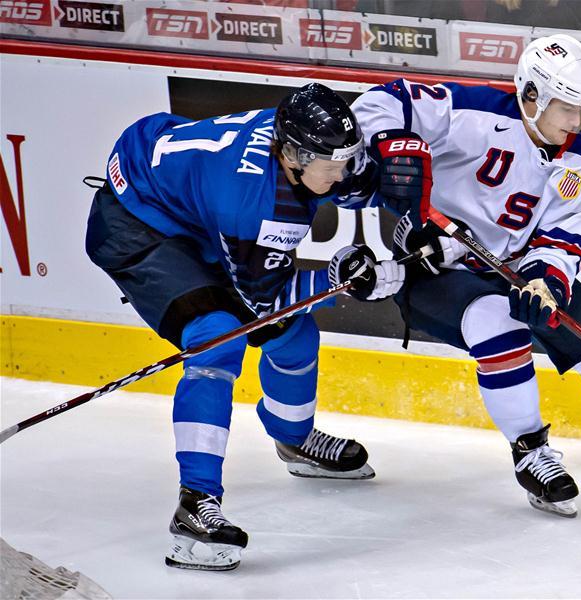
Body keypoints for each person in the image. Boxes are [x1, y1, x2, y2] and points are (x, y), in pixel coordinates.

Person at [351, 34, 581, 519]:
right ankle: (531, 451)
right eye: (567, 109)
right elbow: (381, 103)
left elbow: (566, 240)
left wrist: (547, 280)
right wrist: (392, 145)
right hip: (434, 269)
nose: (576, 122)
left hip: (517, 267)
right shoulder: (472, 113)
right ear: (532, 95)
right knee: (497, 324)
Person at [85, 84, 405, 570]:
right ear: (294, 157)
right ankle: (195, 504)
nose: (341, 173)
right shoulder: (259, 206)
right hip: (138, 220)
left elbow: (360, 181)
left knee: (296, 336)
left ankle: (293, 439)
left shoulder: (303, 145)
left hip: (189, 201)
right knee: (216, 339)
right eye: (332, 166)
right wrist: (339, 280)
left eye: (345, 160)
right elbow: (265, 304)